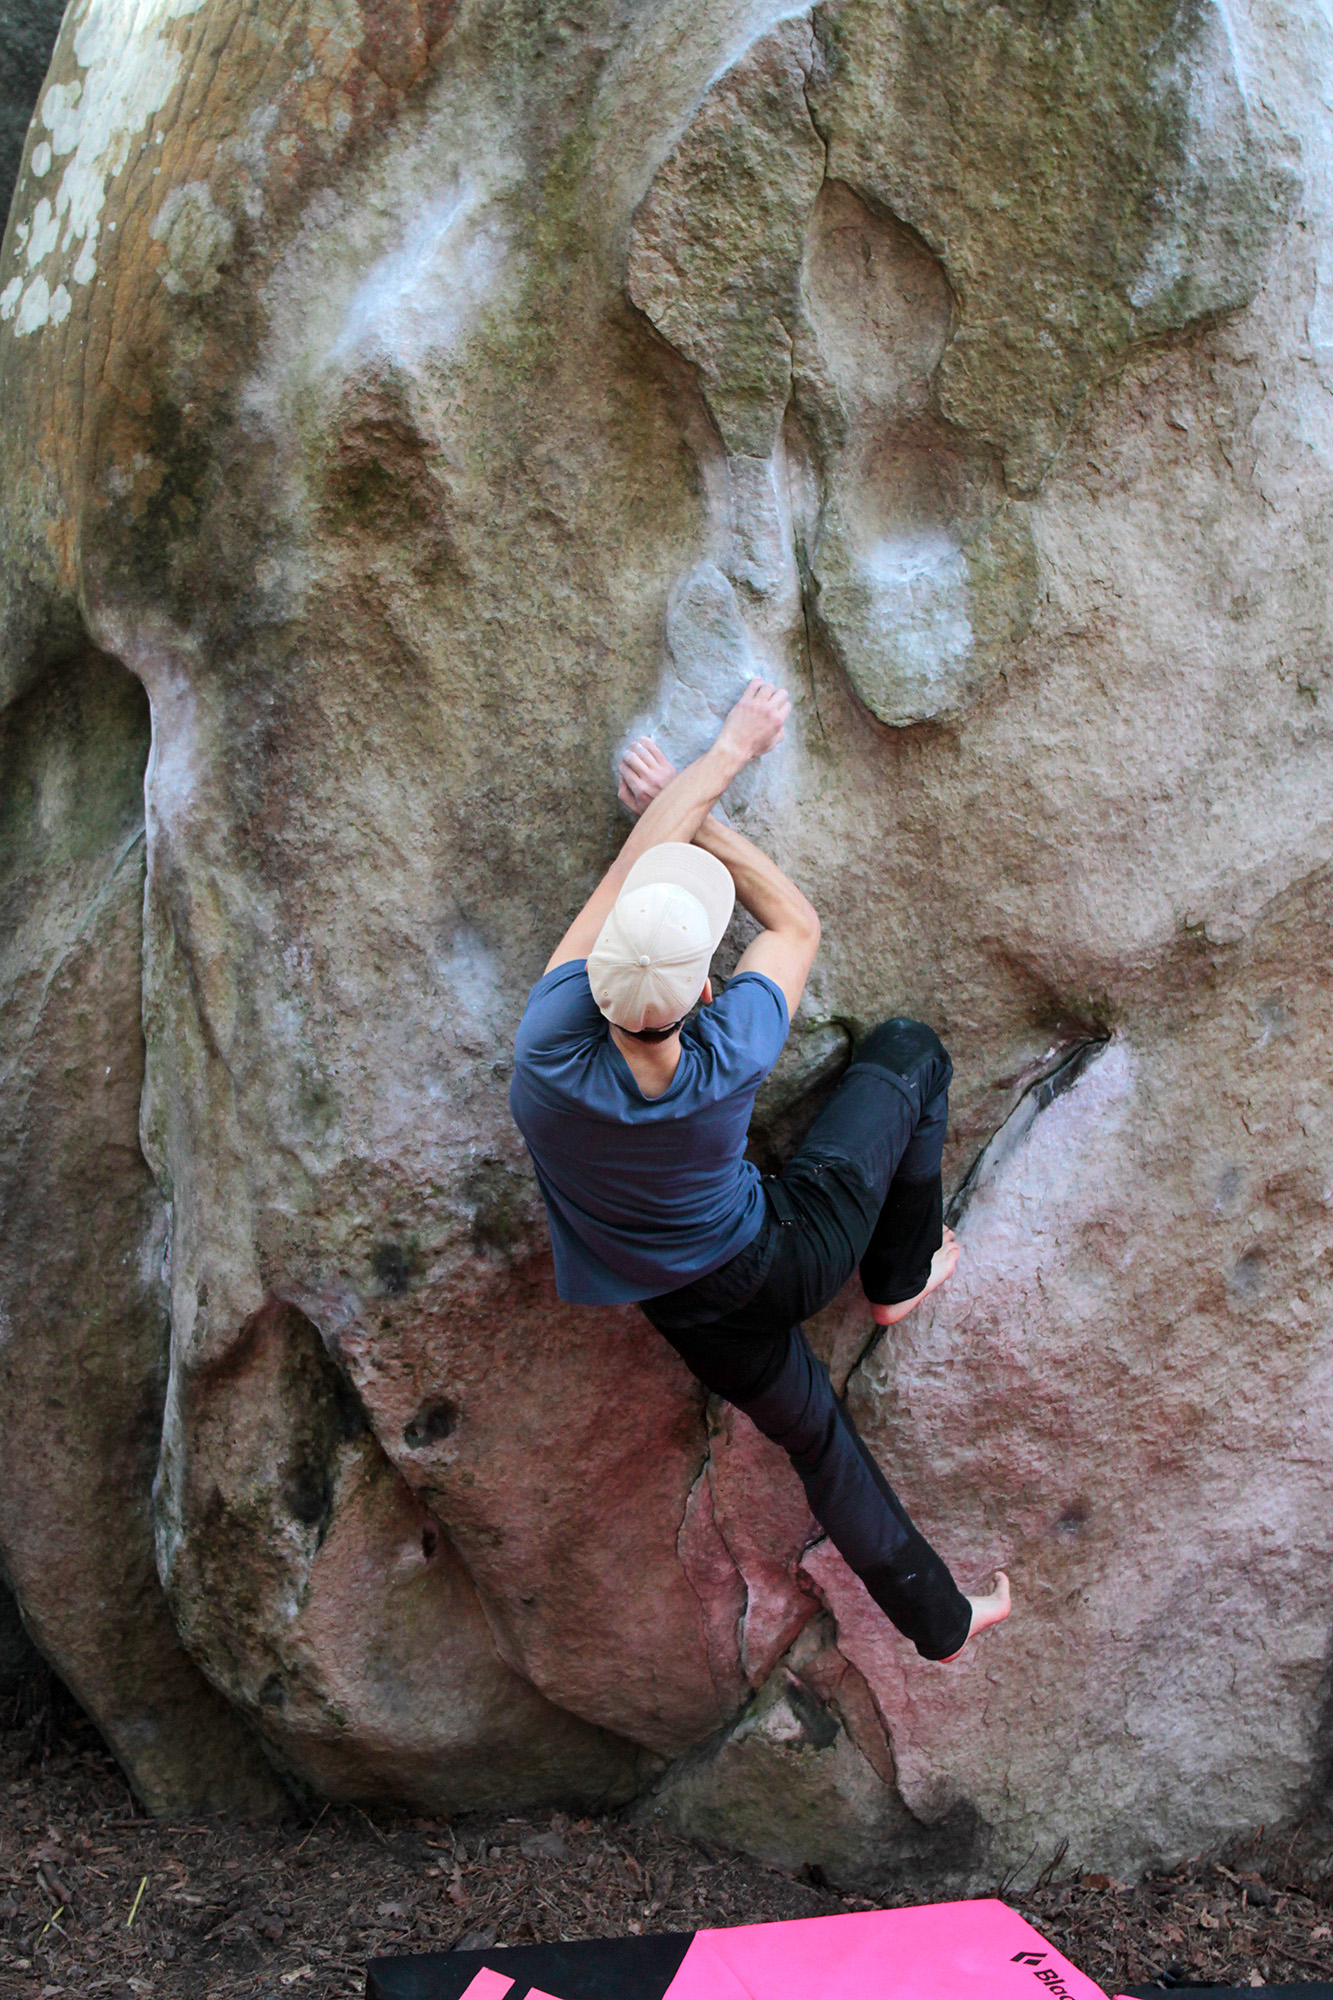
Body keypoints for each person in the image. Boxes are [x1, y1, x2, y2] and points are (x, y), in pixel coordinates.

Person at [509, 678, 1010, 1661]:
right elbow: (793, 926)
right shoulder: (727, 1047)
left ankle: (942, 1622)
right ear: (706, 989)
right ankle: (898, 1274)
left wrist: (683, 795)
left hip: (676, 1301)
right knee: (910, 1051)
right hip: (782, 1254)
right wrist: (717, 786)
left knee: (815, 1437)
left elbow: (624, 876)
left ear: (595, 978)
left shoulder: (543, 1049)